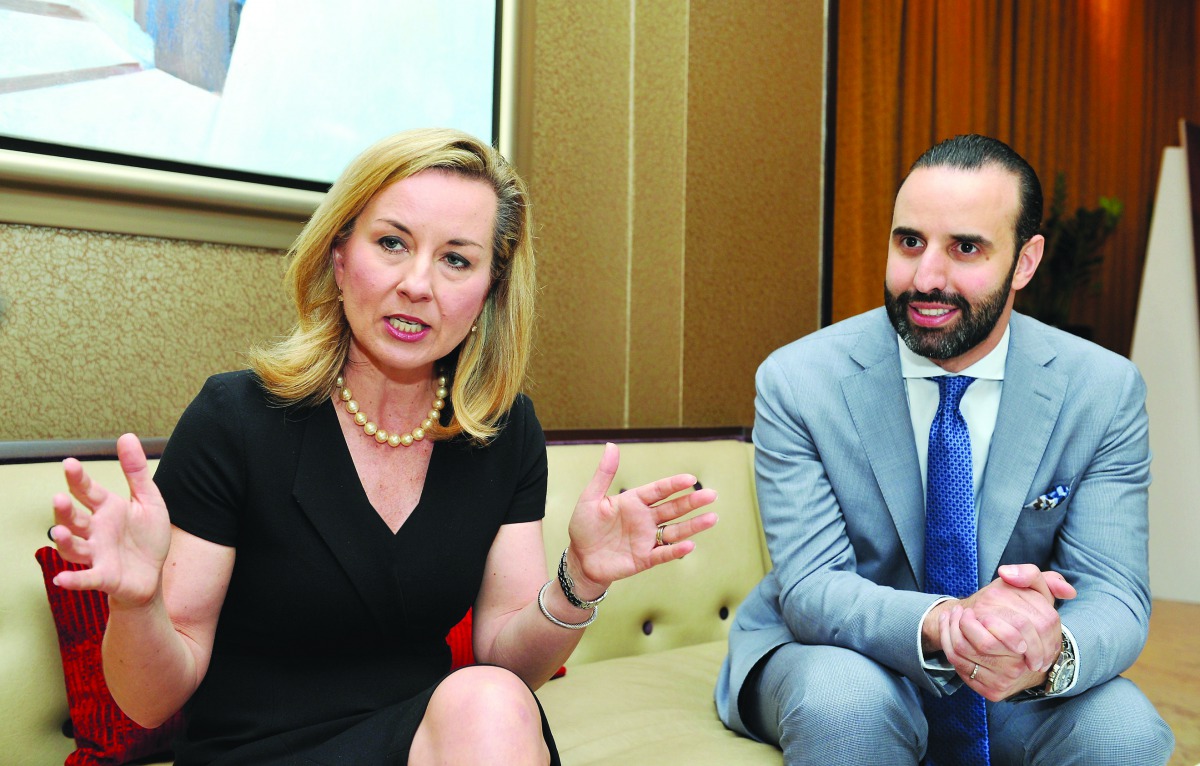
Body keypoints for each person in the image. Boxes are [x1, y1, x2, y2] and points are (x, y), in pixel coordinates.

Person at [49, 128, 718, 766]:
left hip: (431, 739)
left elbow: (507, 663)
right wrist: (136, 603)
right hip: (257, 750)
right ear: (340, 258)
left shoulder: (503, 431)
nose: (418, 285)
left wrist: (582, 580)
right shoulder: (236, 419)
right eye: (393, 243)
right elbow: (149, 702)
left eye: (456, 259)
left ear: (489, 291)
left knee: (490, 701)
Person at [715, 134, 1174, 765]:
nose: (926, 278)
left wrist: (1047, 650)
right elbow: (813, 587)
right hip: (844, 655)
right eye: (909, 242)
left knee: (1125, 730)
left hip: (1014, 681)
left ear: (1025, 262)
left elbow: (1114, 592)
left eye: (965, 248)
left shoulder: (1101, 390)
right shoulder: (798, 382)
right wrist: (949, 623)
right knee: (844, 704)